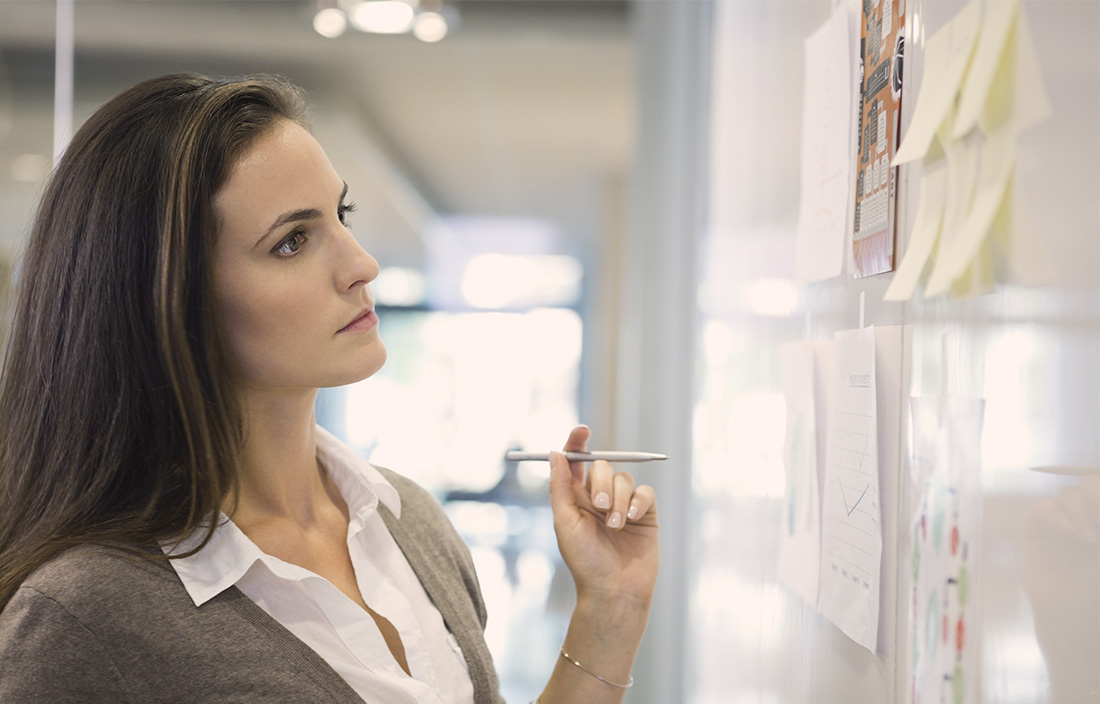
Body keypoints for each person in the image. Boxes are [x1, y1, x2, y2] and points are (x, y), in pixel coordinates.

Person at [0, 73, 659, 703]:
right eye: (292, 242)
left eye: (341, 215)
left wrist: (611, 608)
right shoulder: (80, 617)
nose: (360, 264)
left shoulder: (410, 522)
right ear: (171, 301)